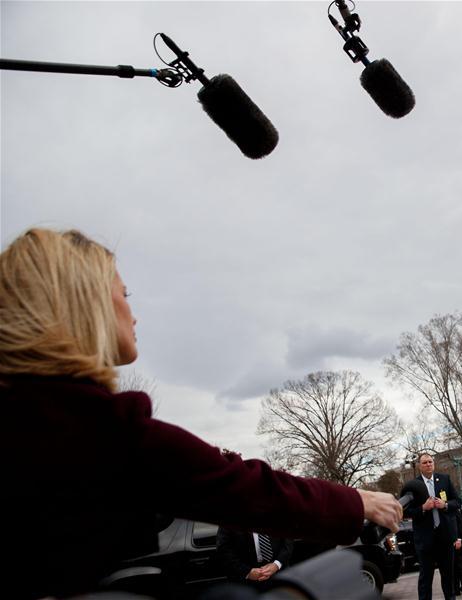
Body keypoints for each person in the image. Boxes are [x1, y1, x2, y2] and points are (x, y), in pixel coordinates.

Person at [0, 228, 403, 600]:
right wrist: (357, 501)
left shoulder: (35, 414)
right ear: (84, 302)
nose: (133, 314)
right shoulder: (98, 429)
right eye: (125, 295)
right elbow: (240, 486)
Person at [404, 453, 460, 600]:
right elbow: (405, 512)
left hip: (445, 536)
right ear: (419, 466)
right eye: (424, 463)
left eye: (430, 462)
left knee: (448, 575)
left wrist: (445, 505)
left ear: (433, 464)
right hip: (425, 539)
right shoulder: (413, 485)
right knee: (425, 578)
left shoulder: (444, 480)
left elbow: (457, 502)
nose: (428, 464)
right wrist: (423, 507)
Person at [217, 526, 294, 584]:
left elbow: (288, 540)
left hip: (280, 575)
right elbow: (223, 549)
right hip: (245, 581)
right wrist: (247, 572)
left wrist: (277, 564)